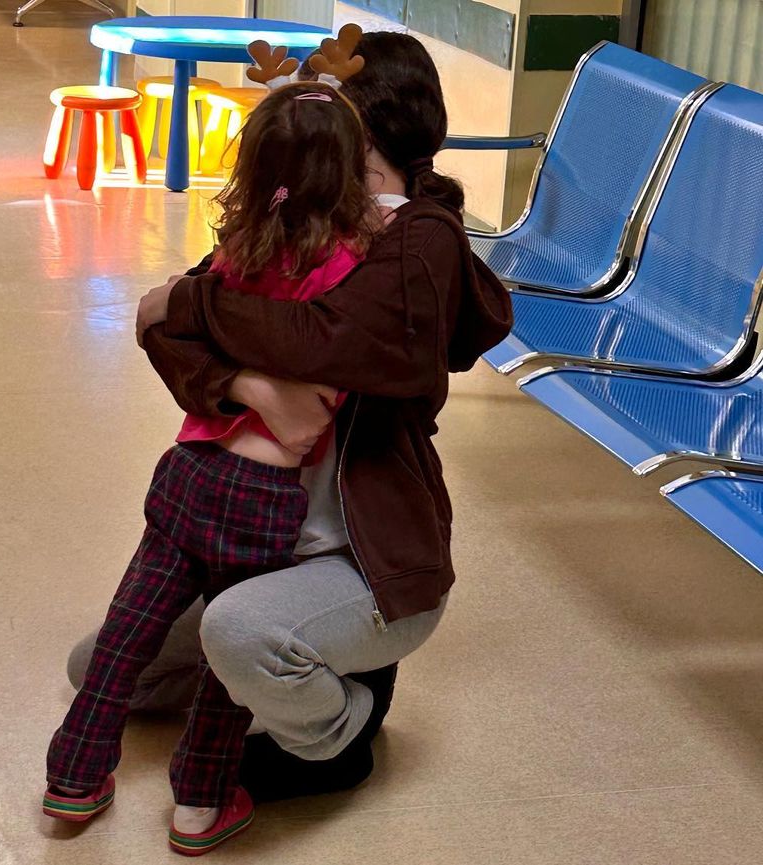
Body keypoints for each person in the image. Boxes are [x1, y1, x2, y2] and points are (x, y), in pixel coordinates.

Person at [122, 29, 512, 807]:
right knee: (105, 668)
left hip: (363, 559)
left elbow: (323, 337)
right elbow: (160, 330)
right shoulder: (298, 214)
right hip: (254, 539)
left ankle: (340, 730)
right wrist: (251, 389)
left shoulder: (420, 238)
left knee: (236, 633)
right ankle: (271, 671)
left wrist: (193, 300)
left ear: (360, 132)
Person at [46, 38, 381, 856]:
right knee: (222, 670)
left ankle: (74, 776)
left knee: (125, 634)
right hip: (264, 502)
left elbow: (171, 316)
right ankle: (198, 806)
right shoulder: (352, 269)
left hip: (190, 473)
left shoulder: (236, 254)